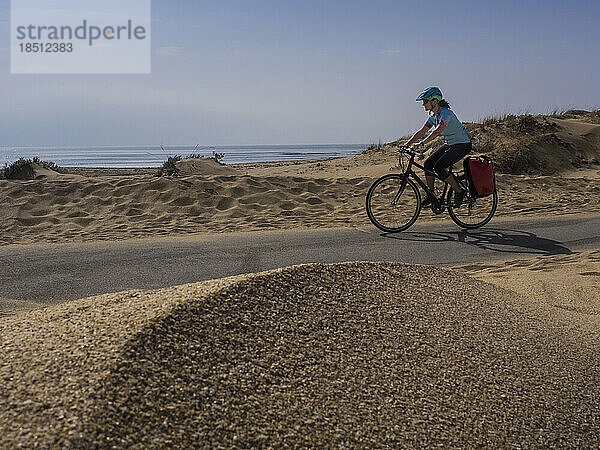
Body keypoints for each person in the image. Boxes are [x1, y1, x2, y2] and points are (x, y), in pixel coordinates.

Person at [404, 86, 471, 207]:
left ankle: (459, 191)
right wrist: (407, 144)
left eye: (425, 101)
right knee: (428, 164)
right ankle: (431, 194)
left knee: (439, 167)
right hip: (450, 144)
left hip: (462, 144)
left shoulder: (446, 113)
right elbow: (421, 131)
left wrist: (422, 143)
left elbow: (438, 131)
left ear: (434, 101)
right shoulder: (433, 116)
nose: (423, 104)